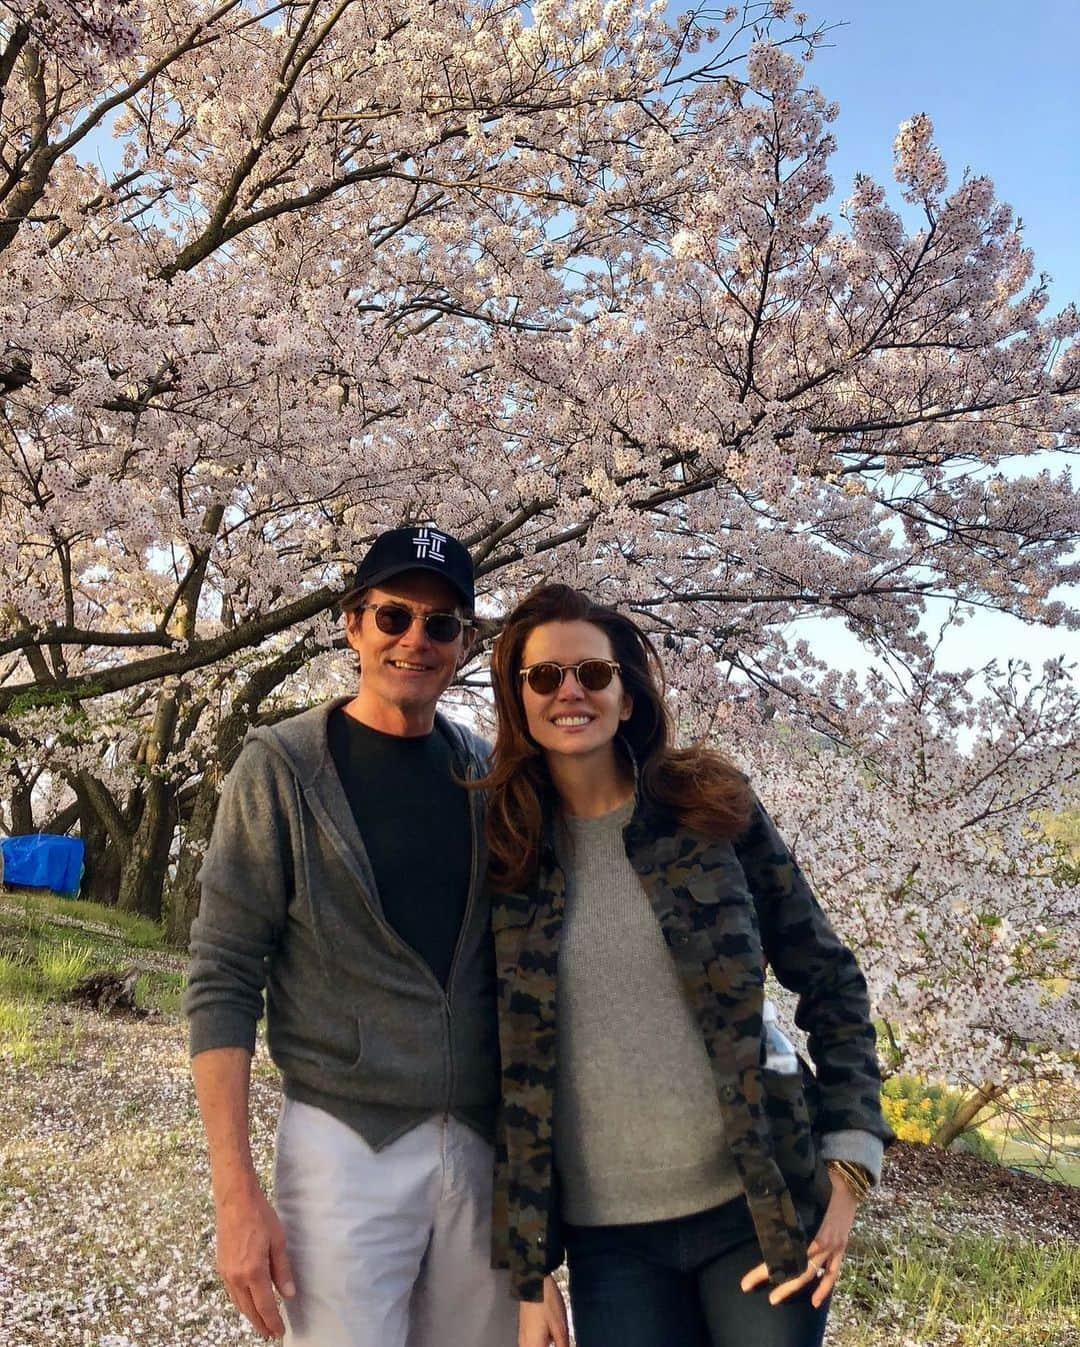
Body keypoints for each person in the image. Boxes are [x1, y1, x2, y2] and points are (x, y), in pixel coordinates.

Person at [478, 583, 894, 1347]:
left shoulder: (711, 810)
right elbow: (510, 1076)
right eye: (544, 677)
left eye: (593, 674)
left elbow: (829, 976)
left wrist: (849, 1163)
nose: (571, 690)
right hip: (613, 1243)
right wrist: (530, 1278)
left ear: (626, 697)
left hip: (756, 1210)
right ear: (518, 701)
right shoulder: (505, 857)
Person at [183, 525, 525, 1347]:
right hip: (344, 1143)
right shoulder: (283, 770)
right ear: (351, 621)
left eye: (441, 625)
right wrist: (236, 1196)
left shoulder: (488, 776)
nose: (415, 639)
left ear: (466, 643)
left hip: (483, 1147)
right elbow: (223, 977)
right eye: (393, 616)